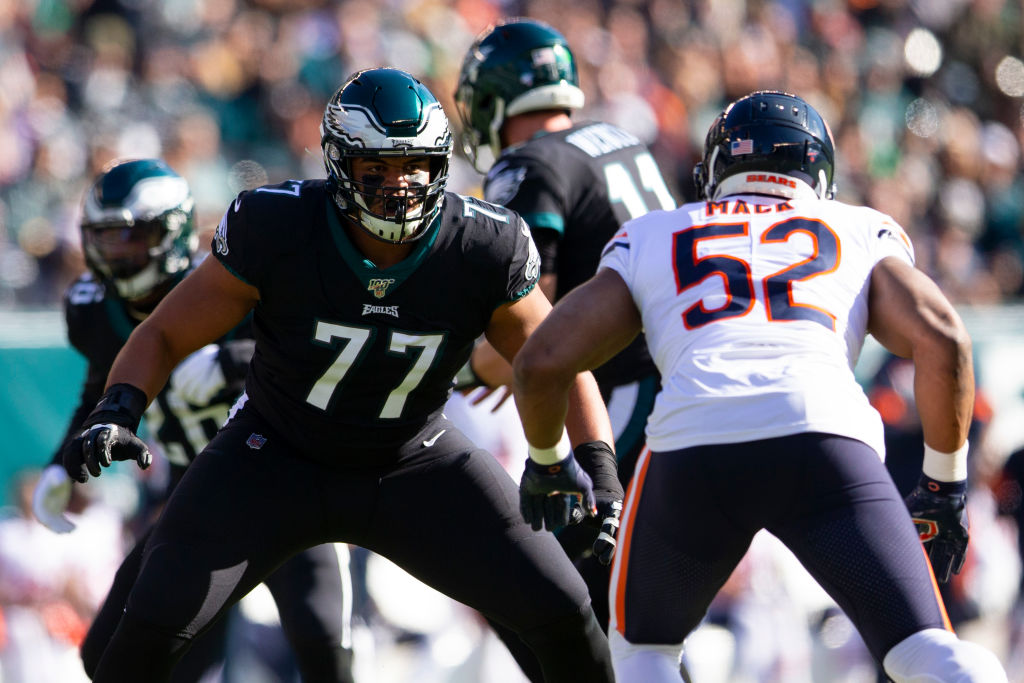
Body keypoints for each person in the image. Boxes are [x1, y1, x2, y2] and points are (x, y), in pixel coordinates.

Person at [56, 68, 617, 683]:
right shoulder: (279, 226)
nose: (398, 185)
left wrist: (596, 467)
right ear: (339, 163)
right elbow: (163, 332)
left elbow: (553, 356)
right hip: (273, 455)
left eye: (414, 165)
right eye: (376, 167)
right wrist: (118, 407)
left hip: (414, 459)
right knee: (149, 627)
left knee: (563, 608)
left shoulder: (482, 243)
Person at [510, 90, 1008, 682]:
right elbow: (945, 339)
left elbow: (541, 361)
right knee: (923, 649)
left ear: (717, 168)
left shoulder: (657, 231)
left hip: (696, 445)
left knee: (642, 654)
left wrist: (547, 462)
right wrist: (945, 485)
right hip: (825, 441)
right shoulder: (856, 226)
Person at [31, 158, 355, 682]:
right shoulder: (94, 308)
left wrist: (231, 361)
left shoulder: (231, 282)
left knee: (324, 650)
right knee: (113, 657)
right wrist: (59, 466)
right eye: (107, 238)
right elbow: (101, 387)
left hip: (286, 482)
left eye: (133, 238)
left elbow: (316, 351)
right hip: (197, 491)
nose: (118, 254)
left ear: (174, 233)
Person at [453, 17, 675, 640]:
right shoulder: (621, 138)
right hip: (675, 377)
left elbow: (536, 334)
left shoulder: (528, 165)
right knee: (633, 617)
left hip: (630, 392)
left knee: (528, 580)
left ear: (496, 99)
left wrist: (463, 369)